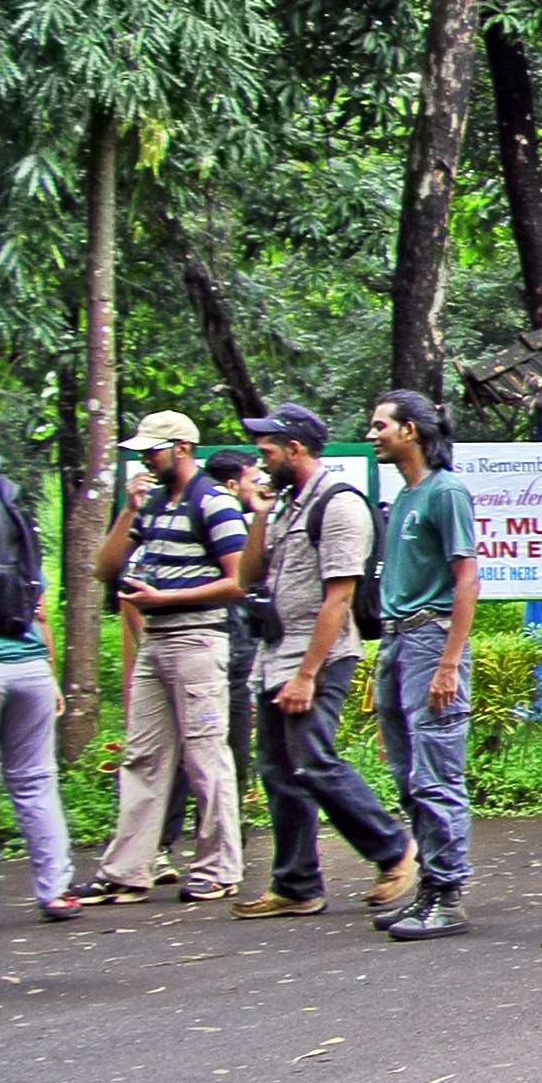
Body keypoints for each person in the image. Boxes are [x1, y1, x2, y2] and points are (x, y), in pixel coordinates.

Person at [236, 405, 414, 919]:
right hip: (276, 655)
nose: (260, 461)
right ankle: (296, 885)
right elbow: (248, 576)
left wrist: (306, 675)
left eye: (267, 451)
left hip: (318, 657)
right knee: (277, 769)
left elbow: (339, 598)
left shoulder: (339, 506)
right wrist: (260, 512)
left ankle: (393, 849)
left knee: (311, 759)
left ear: (294, 449)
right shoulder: (285, 506)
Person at [83, 410, 253, 909]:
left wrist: (167, 598)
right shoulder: (154, 503)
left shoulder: (214, 502)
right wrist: (128, 511)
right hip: (156, 639)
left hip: (197, 638)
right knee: (143, 756)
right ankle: (127, 871)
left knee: (206, 756)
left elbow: (238, 581)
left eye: (152, 450)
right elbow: (104, 570)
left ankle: (218, 869)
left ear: (182, 448)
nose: (145, 459)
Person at [364, 391, 481, 936]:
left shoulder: (445, 492)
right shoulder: (405, 497)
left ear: (409, 431)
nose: (372, 435)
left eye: (380, 425)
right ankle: (429, 886)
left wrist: (448, 664)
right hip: (397, 642)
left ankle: (448, 896)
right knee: (407, 775)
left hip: (430, 640)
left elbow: (467, 579)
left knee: (436, 774)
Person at [161, 447, 268, 875]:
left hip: (240, 654)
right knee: (186, 751)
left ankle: (226, 841)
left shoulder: (254, 523)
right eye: (252, 479)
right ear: (231, 484)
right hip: (204, 644)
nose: (259, 486)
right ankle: (163, 845)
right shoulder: (210, 518)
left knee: (232, 751)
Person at [0, 447, 67, 923]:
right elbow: (39, 612)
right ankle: (55, 891)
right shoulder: (17, 533)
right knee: (37, 780)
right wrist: (50, 672)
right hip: (30, 668)